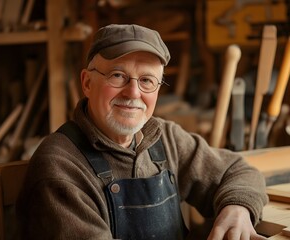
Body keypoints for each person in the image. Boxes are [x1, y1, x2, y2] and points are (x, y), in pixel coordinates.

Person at [16, 24, 268, 240]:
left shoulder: (162, 137)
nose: (133, 93)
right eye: (117, 75)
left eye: (147, 80)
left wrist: (237, 207)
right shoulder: (60, 168)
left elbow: (238, 171)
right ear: (87, 83)